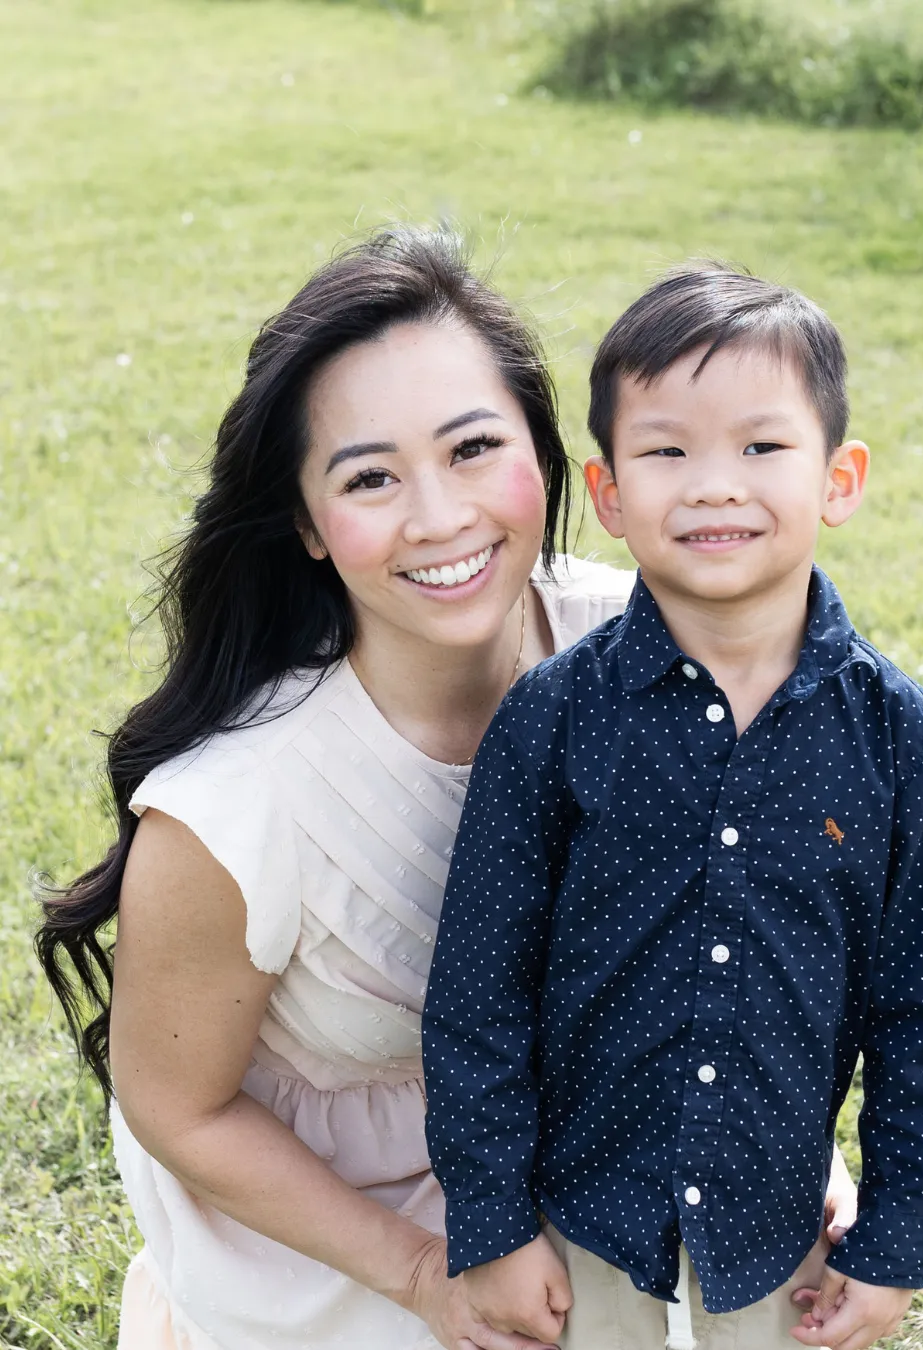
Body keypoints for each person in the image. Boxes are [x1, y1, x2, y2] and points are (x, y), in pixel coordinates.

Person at [34, 227, 643, 1350]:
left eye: (473, 448)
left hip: (584, 1152)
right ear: (309, 527)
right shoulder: (239, 807)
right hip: (340, 1238)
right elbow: (176, 1105)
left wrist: (798, 1157)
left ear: (545, 449)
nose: (439, 516)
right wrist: (423, 1276)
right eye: (371, 478)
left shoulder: (643, 653)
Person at [422, 263, 923, 1350]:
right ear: (609, 494)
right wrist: (493, 1226)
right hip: (580, 1216)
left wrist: (893, 1238)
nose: (716, 486)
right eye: (668, 452)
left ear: (840, 479)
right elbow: (478, 994)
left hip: (780, 1224)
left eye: (763, 448)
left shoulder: (896, 739)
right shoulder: (552, 720)